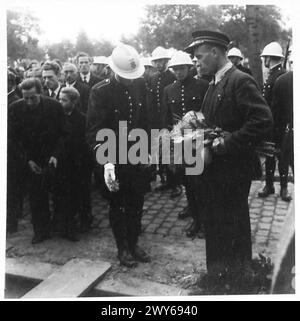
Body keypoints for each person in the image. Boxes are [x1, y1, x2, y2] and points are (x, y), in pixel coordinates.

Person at [185, 30, 273, 285]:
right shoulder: (214, 82)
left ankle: (237, 280)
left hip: (233, 171)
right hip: (216, 171)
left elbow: (262, 121)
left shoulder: (239, 80)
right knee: (216, 224)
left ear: (215, 52)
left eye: (200, 56)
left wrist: (226, 143)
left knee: (232, 224)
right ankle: (218, 276)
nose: (197, 62)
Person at [86, 43, 151, 268]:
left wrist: (148, 150)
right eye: (126, 76)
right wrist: (106, 163)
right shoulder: (100, 91)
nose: (129, 79)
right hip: (112, 155)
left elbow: (145, 119)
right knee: (117, 204)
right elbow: (94, 130)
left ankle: (133, 243)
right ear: (114, 70)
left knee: (137, 202)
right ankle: (122, 248)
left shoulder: (140, 83)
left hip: (137, 152)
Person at [8, 78, 67, 244]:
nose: (29, 102)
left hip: (53, 158)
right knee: (36, 198)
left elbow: (64, 134)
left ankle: (62, 227)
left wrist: (56, 155)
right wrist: (27, 161)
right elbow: (13, 140)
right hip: (30, 159)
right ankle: (41, 231)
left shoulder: (54, 106)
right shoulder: (15, 109)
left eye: (32, 97)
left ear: (40, 93)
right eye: (25, 98)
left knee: (59, 195)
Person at [162, 51, 209, 236]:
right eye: (175, 69)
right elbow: (166, 118)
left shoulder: (203, 86)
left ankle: (204, 221)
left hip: (200, 140)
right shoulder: (169, 90)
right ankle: (196, 219)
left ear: (189, 68)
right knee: (189, 183)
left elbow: (209, 111)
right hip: (180, 143)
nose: (178, 72)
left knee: (201, 183)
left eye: (182, 69)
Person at [257, 42, 291, 201]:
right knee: (270, 156)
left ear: (269, 58)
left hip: (279, 124)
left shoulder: (281, 76)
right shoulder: (273, 74)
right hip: (270, 124)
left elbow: (281, 106)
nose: (264, 60)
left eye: (265, 57)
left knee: (281, 156)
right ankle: (269, 185)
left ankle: (283, 188)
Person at [59, 87, 94, 238]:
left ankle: (86, 219)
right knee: (67, 193)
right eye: (59, 99)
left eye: (64, 100)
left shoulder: (82, 119)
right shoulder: (58, 116)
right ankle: (68, 221)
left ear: (74, 102)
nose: (60, 102)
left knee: (83, 193)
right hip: (65, 162)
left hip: (80, 163)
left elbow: (85, 143)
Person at [149, 46, 182, 198]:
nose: (158, 64)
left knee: (172, 154)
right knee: (160, 152)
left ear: (166, 61)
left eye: (161, 61)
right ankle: (165, 180)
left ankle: (176, 184)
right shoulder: (153, 78)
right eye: (156, 62)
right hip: (156, 120)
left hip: (168, 120)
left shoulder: (172, 76)